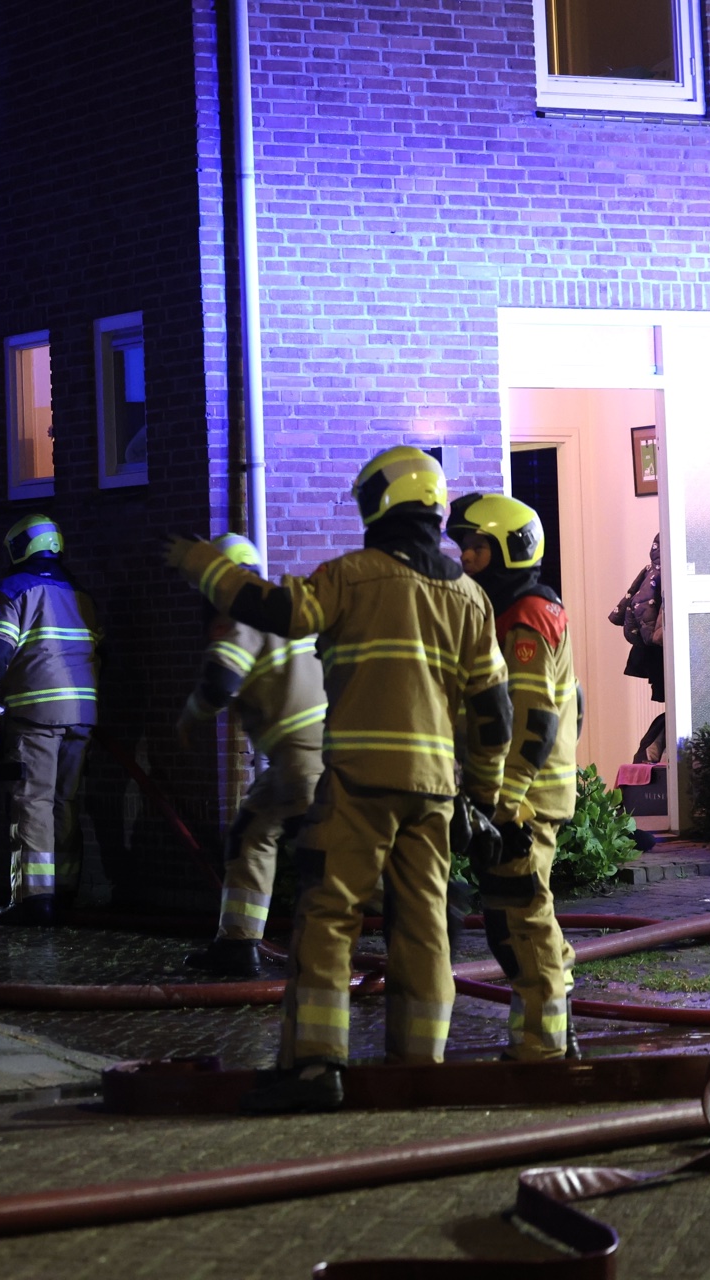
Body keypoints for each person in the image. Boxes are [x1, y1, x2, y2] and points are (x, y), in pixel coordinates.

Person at [165, 446, 511, 1112]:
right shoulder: (470, 598)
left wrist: (203, 564)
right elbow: (493, 712)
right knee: (424, 927)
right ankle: (418, 1067)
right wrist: (483, 800)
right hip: (436, 792)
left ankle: (315, 1067)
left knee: (329, 917)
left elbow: (275, 611)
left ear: (381, 502)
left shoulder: (351, 576)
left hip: (357, 781)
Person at [447, 493, 582, 1061]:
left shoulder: (526, 615)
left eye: (478, 548)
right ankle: (550, 1034)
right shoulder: (514, 610)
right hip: (513, 791)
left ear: (511, 549)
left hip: (520, 799)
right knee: (515, 917)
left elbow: (533, 717)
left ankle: (543, 1047)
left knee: (522, 920)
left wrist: (506, 800)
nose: (467, 559)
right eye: (465, 548)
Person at [175, 533, 328, 979]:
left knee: (332, 856)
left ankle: (424, 903)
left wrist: (189, 718)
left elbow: (221, 680)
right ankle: (238, 944)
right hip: (301, 756)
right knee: (250, 832)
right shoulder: (283, 606)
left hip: (302, 758)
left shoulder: (242, 615)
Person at [0, 514, 101, 926]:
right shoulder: (80, 594)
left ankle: (34, 900)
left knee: (33, 804)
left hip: (36, 715)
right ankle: (63, 893)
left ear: (18, 548)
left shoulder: (13, 590)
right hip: (84, 714)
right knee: (64, 805)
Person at [609, 534, 666, 763]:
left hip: (658, 657)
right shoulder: (663, 573)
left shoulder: (654, 571)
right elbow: (652, 631)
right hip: (663, 657)